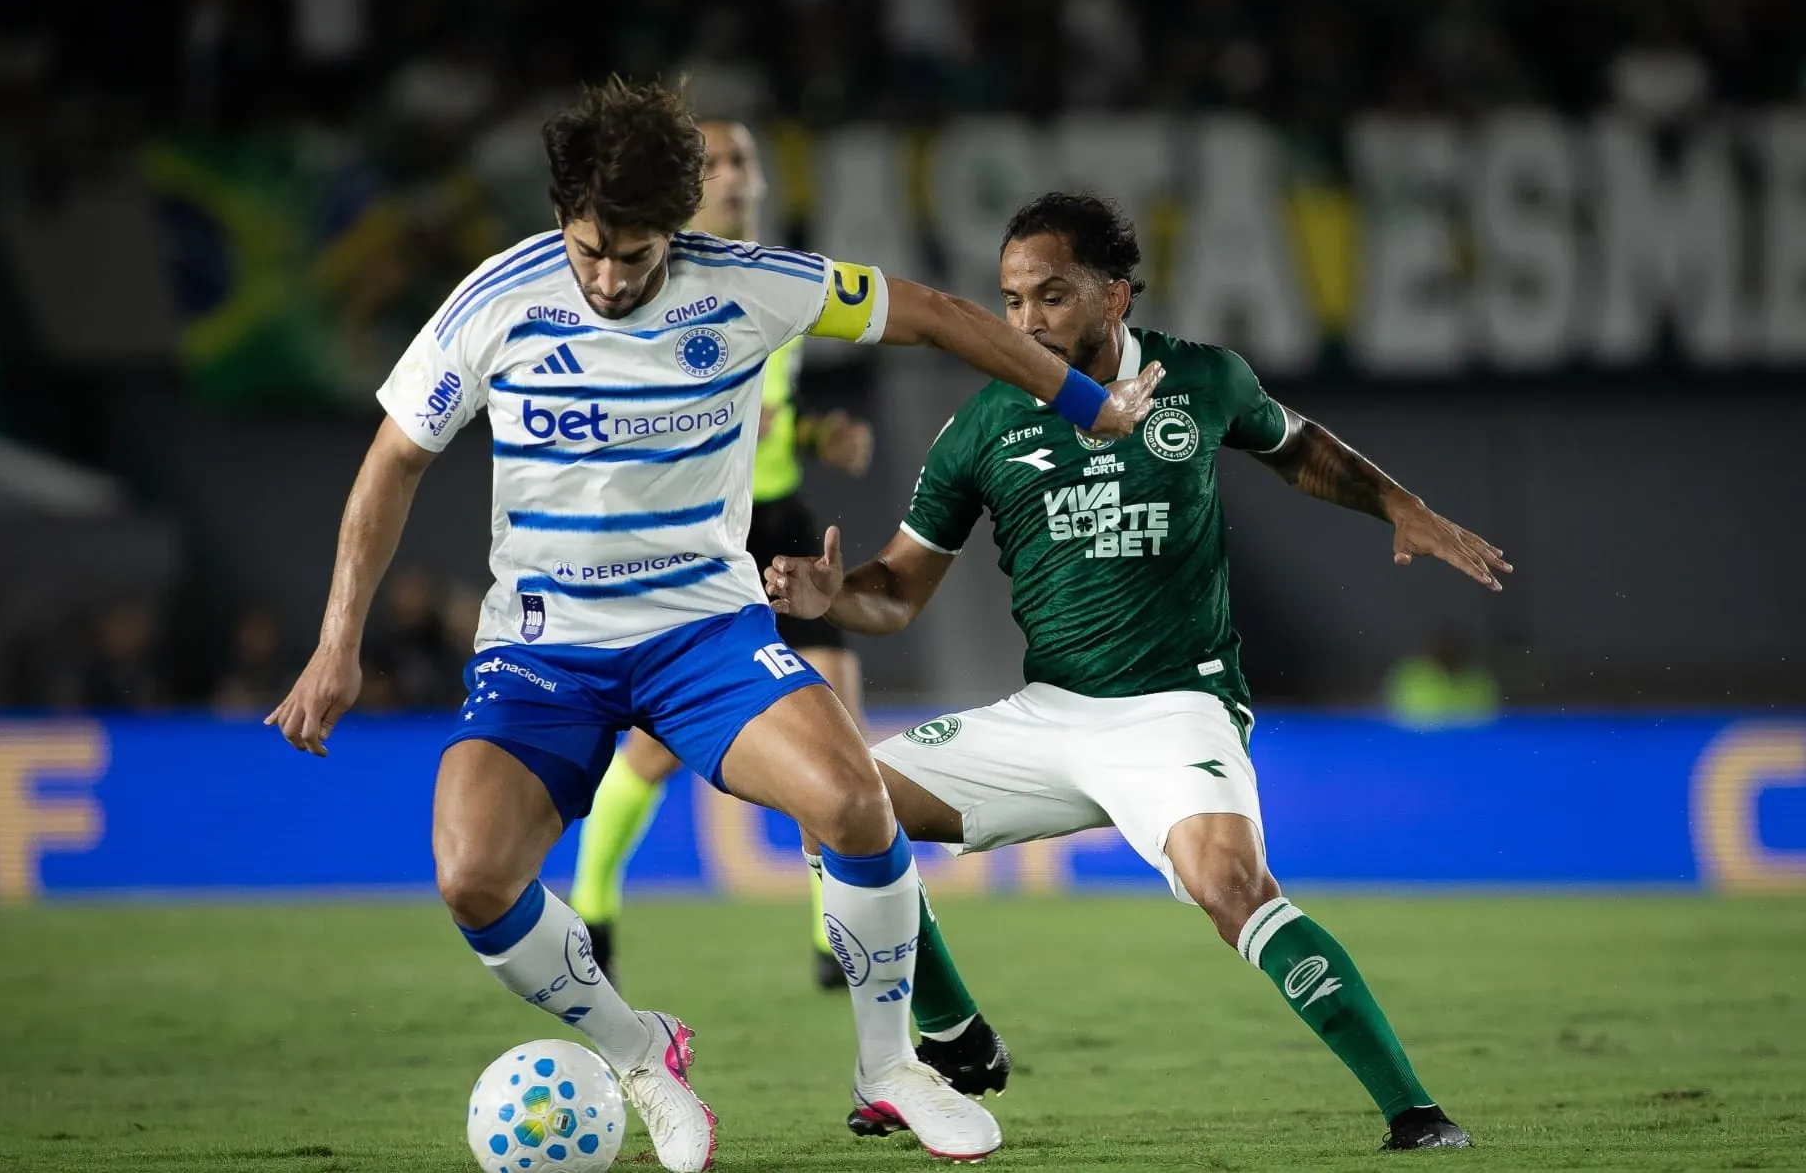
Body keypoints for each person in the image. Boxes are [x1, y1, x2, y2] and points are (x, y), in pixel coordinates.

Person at [265, 82, 1157, 1172]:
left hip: (703, 631)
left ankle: (889, 1067)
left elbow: (937, 314)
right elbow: (392, 461)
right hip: (544, 649)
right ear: (563, 218)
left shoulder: (754, 286)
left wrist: (1087, 402)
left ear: (677, 231)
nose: (609, 277)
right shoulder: (493, 300)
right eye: (591, 248)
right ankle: (640, 1050)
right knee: (472, 874)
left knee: (853, 800)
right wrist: (335, 640)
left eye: (635, 254)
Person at [765, 191, 1510, 1152]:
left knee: (1232, 886)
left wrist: (1398, 503)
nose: (1026, 321)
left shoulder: (1203, 380)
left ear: (1115, 294)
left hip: (1175, 710)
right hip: (1050, 712)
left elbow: (1298, 448)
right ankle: (951, 1032)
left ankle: (1414, 1111)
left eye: (1052, 295)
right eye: (1011, 300)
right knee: (834, 801)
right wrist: (835, 597)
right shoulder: (985, 425)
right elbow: (897, 592)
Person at [568, 117, 877, 994]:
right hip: (705, 529)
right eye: (719, 164)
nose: (738, 175)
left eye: (746, 159)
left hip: (777, 514)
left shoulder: (776, 281)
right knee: (664, 747)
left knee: (836, 722)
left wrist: (819, 432)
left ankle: (835, 937)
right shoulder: (658, 281)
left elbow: (775, 415)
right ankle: (591, 900)